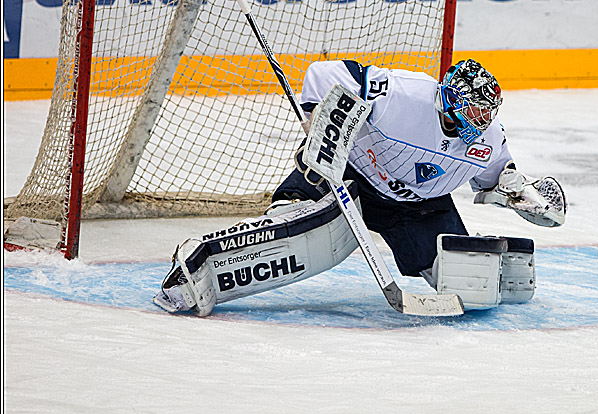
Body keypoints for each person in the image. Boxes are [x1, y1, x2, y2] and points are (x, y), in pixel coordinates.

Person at [153, 58, 565, 317]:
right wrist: (318, 118)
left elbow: (499, 176)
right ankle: (198, 267)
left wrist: (524, 197)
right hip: (348, 178)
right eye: (476, 108)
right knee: (290, 230)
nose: (483, 117)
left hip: (417, 208)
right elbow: (327, 73)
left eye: (489, 110)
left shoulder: (487, 137)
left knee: (466, 285)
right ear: (452, 99)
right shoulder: (404, 94)